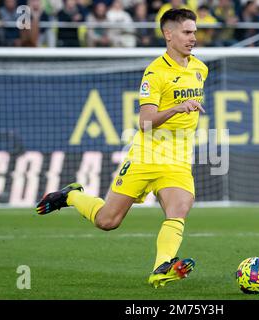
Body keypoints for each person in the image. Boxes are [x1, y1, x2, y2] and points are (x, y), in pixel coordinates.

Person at [36, 8, 208, 289]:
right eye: (187, 32)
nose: (193, 38)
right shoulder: (155, 73)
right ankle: (71, 197)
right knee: (107, 221)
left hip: (178, 158)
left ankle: (160, 268)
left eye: (195, 32)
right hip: (146, 156)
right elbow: (146, 122)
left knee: (180, 208)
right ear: (169, 34)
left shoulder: (201, 69)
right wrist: (177, 107)